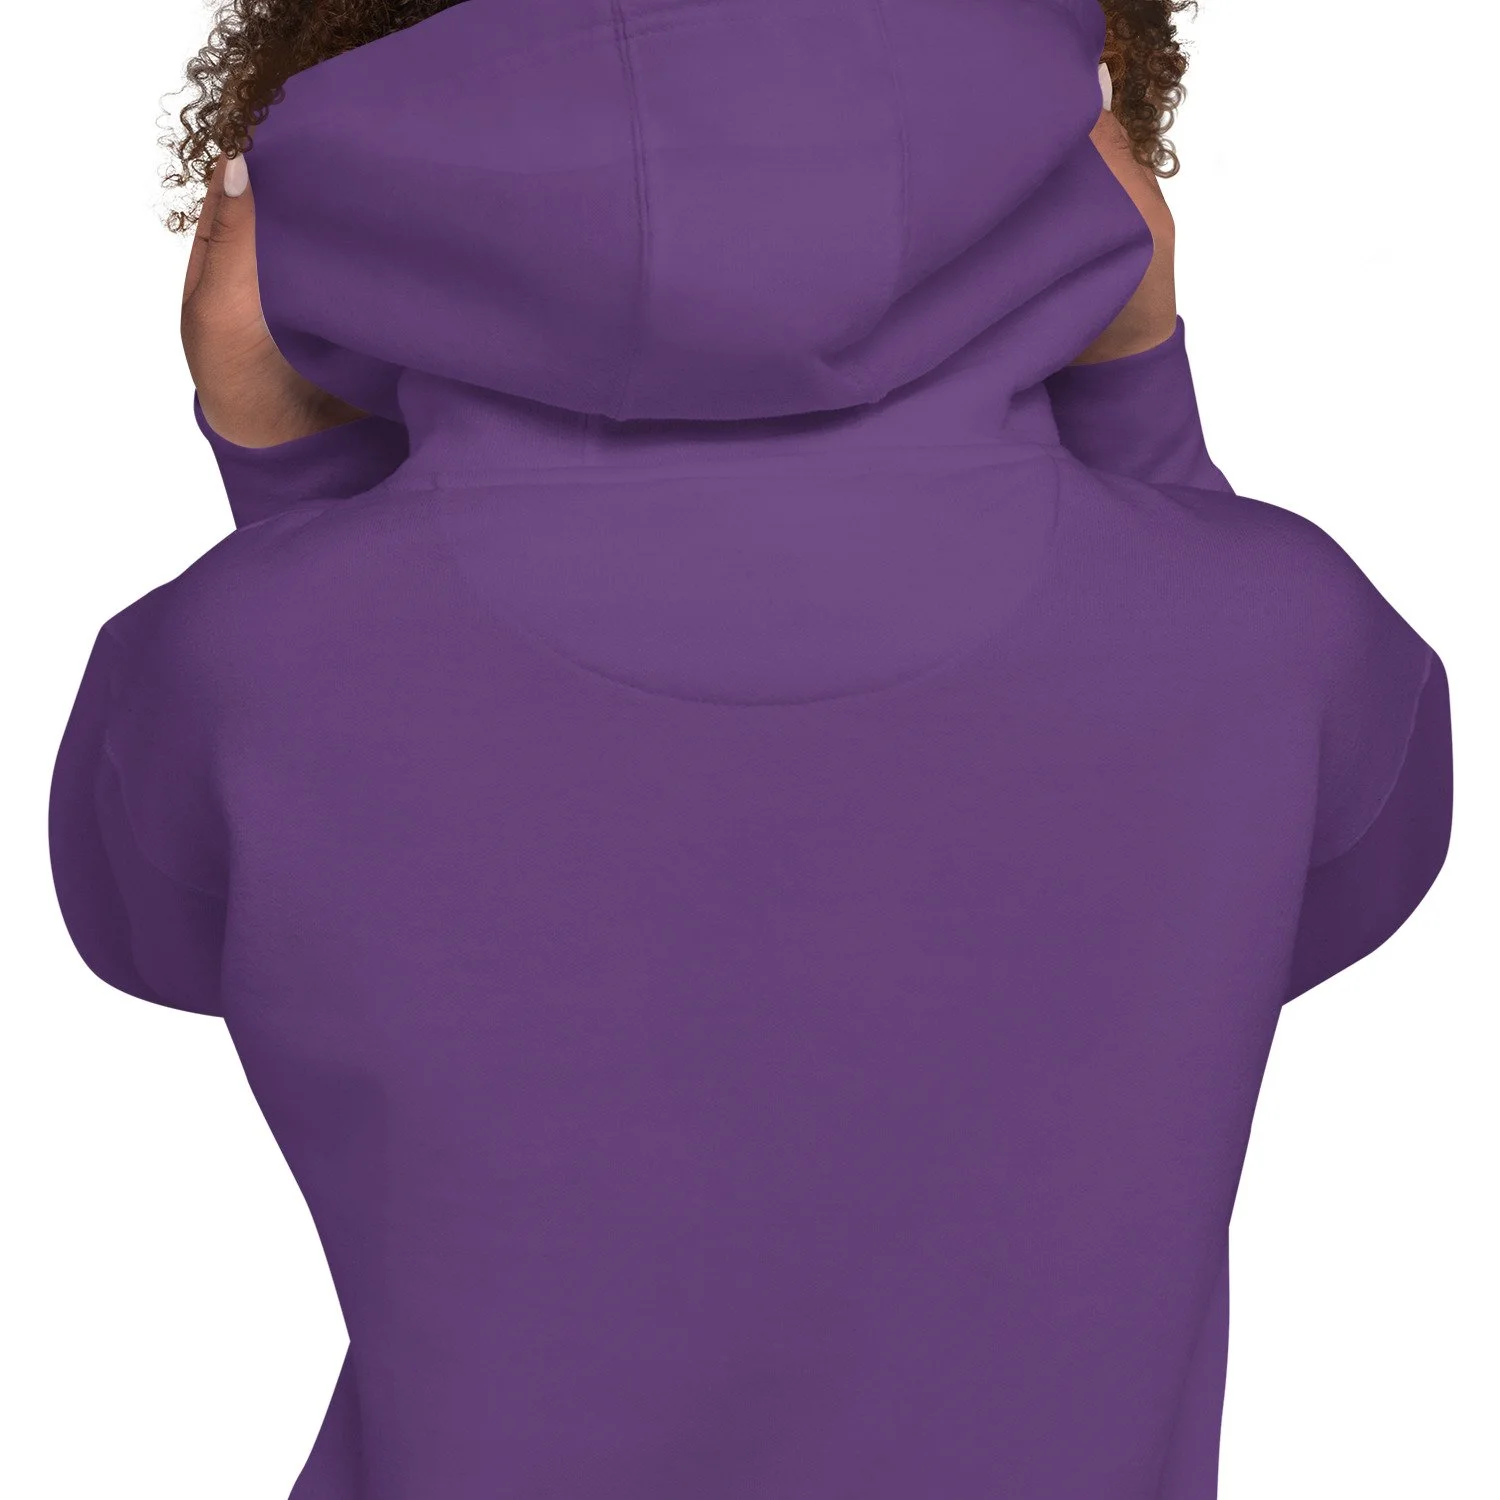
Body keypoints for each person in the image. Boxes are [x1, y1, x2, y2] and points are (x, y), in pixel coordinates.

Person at [50, 2, 1453, 1497]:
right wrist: (1138, 404)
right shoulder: (1275, 634)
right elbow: (1276, 898)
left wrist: (299, 484)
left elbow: (199, 933)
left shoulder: (227, 666)